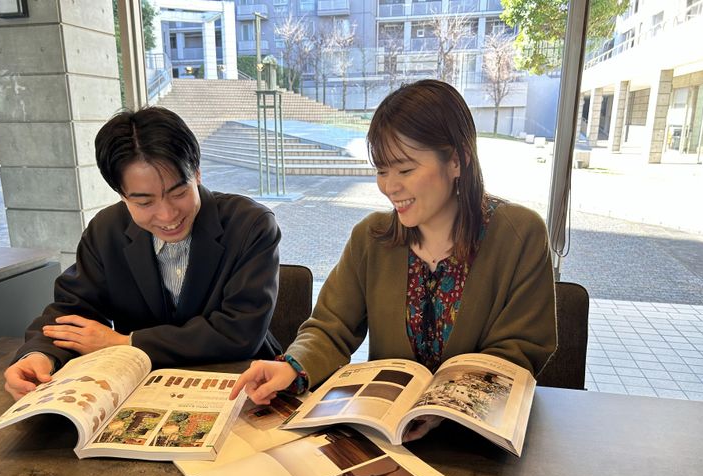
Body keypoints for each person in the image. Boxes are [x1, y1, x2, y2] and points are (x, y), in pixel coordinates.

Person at [231, 79, 557, 440]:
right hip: (388, 435)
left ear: (457, 159)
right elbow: (331, 326)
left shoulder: (519, 234)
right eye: (382, 170)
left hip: (478, 439)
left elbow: (520, 347)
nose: (389, 186)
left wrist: (441, 407)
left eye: (405, 170)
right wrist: (294, 366)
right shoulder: (372, 237)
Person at [4, 106, 282, 399]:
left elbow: (239, 332)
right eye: (144, 203)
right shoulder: (106, 230)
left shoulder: (249, 224)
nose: (167, 215)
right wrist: (39, 355)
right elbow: (72, 310)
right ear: (122, 194)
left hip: (243, 384)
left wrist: (125, 343)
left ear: (197, 173)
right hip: (143, 390)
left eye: (179, 193)